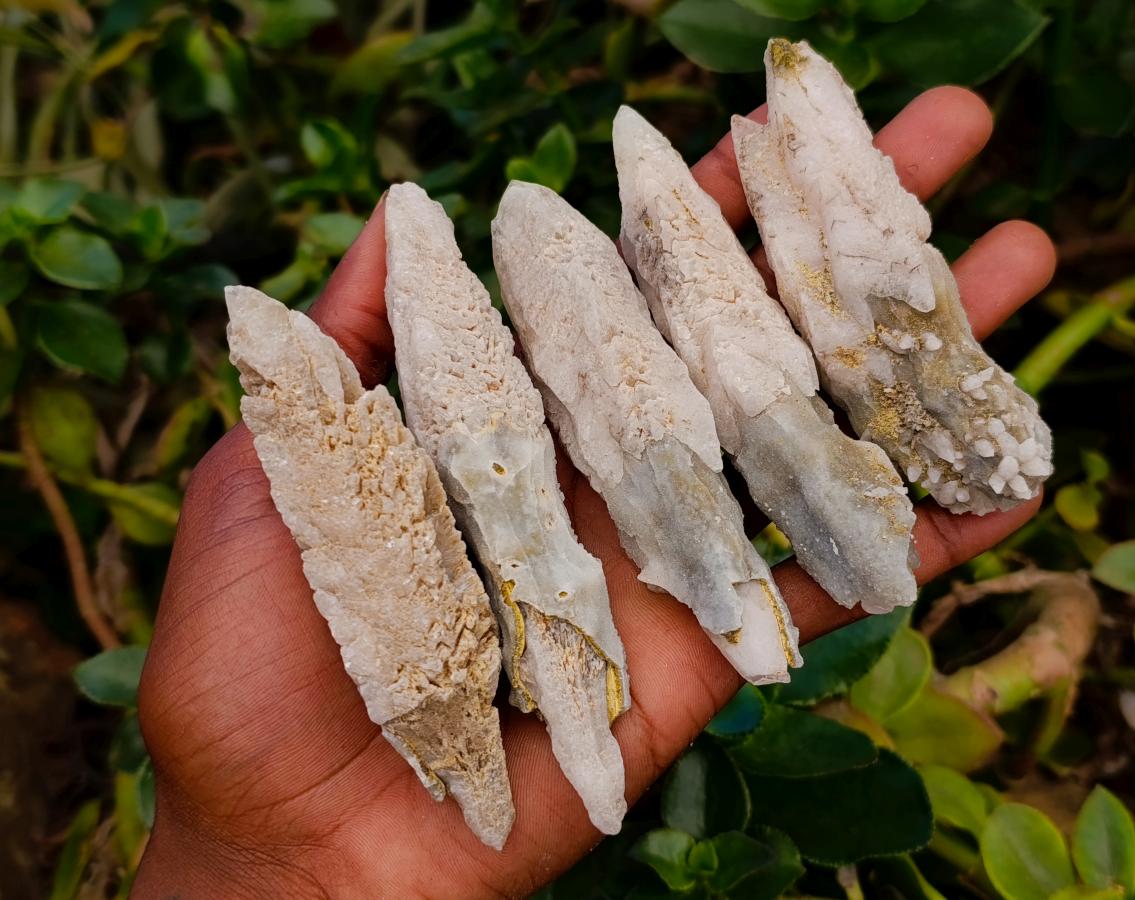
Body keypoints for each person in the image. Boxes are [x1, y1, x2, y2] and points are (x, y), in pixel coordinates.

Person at [131, 88, 1055, 898]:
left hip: (682, 439)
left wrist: (280, 866)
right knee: (547, 508)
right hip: (524, 552)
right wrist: (284, 858)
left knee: (715, 460)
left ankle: (780, 536)